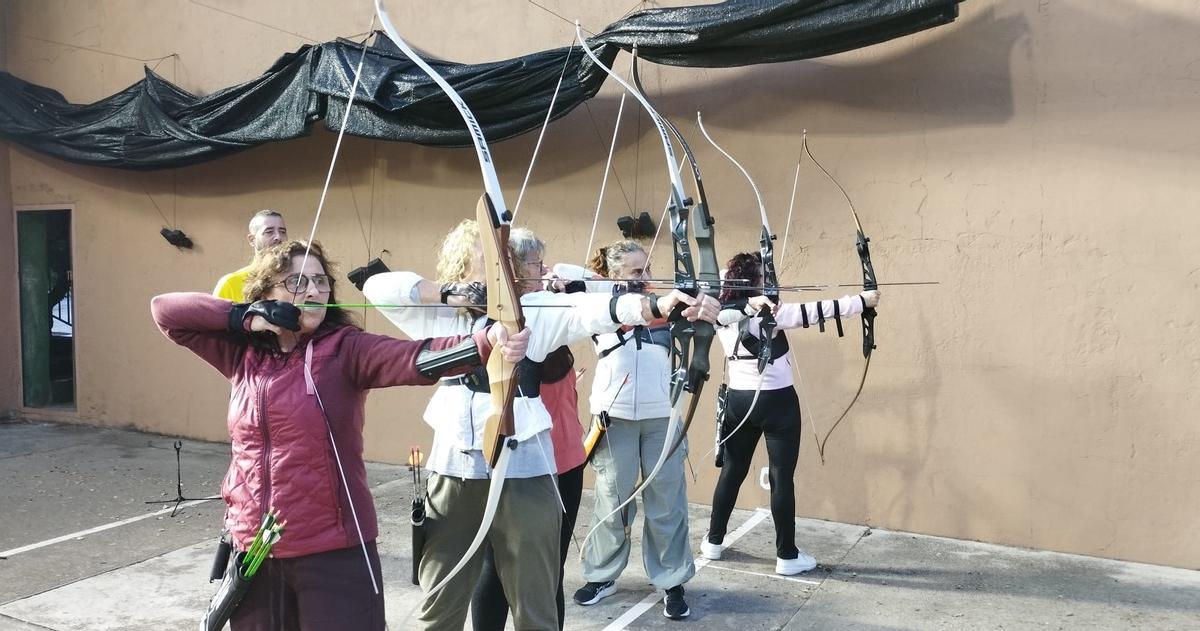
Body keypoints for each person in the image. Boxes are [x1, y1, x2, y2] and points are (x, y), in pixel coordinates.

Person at [152, 240, 528, 631]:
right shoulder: (243, 354)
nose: (313, 291)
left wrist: (488, 342)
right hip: (256, 546)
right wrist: (246, 318)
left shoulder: (345, 349)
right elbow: (165, 311)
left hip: (332, 549)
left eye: (320, 281)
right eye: (296, 282)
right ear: (266, 293)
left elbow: (418, 358)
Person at [362, 221, 718, 631]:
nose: (504, 269)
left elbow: (594, 311)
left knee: (536, 602)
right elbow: (377, 288)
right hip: (455, 471)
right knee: (441, 601)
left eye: (508, 261)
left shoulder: (532, 311)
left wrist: (657, 306)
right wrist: (448, 293)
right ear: (463, 265)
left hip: (527, 472)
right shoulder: (437, 316)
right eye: (490, 259)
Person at [703, 251, 881, 575]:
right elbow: (817, 311)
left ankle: (713, 542)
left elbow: (715, 278)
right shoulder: (771, 312)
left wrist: (742, 275)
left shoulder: (720, 313)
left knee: (732, 470)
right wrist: (864, 300)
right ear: (754, 282)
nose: (771, 280)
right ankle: (786, 556)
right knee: (780, 477)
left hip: (739, 402)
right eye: (765, 275)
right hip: (778, 405)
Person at [559, 239, 698, 621]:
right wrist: (607, 286)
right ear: (614, 275)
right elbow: (565, 272)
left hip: (661, 419)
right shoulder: (600, 305)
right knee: (612, 500)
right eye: (637, 271)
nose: (647, 277)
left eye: (648, 269)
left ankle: (671, 580)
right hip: (612, 417)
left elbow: (708, 314)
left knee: (666, 503)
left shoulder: (666, 307)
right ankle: (602, 576)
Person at [471, 228, 586, 631]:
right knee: (501, 570)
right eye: (537, 265)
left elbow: (593, 301)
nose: (546, 270)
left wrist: (567, 286)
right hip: (528, 463)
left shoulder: (551, 309)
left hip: (567, 458)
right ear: (514, 272)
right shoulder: (519, 324)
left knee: (548, 569)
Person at [213, 209, 288, 301]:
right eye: (269, 232)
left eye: (282, 232)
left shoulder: (296, 281)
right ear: (252, 240)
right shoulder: (231, 283)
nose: (278, 237)